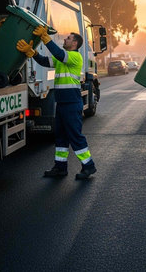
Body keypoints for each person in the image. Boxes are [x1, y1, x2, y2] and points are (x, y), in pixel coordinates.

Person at [16, 25, 96, 179]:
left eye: (68, 38)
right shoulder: (62, 58)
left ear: (74, 44)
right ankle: (60, 168)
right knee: (60, 137)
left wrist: (46, 38)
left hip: (72, 105)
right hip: (62, 104)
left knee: (75, 136)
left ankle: (89, 166)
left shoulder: (74, 57)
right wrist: (31, 53)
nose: (65, 39)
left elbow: (58, 54)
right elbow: (44, 61)